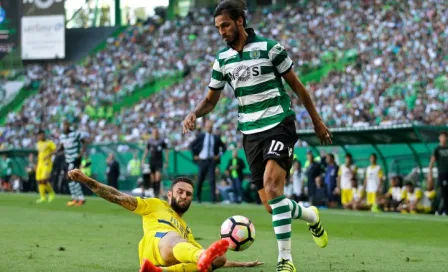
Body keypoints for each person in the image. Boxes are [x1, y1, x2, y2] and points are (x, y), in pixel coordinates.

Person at [182, 1, 331, 270]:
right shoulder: (222, 60)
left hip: (279, 124)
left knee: (274, 188)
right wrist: (194, 113)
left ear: (240, 21)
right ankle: (310, 215)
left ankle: (285, 260)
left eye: (225, 25)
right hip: (250, 134)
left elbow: (297, 86)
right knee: (273, 207)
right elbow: (210, 100)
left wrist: (317, 121)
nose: (221, 32)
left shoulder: (269, 48)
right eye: (217, 28)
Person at [66, 169, 263, 272]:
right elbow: (118, 196)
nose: (184, 196)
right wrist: (87, 181)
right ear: (170, 194)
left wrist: (241, 264)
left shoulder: (186, 230)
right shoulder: (155, 204)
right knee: (178, 242)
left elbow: (206, 257)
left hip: (172, 254)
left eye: (188, 194)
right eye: (180, 192)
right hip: (155, 244)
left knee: (219, 258)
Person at [190, 121, 227, 203]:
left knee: (212, 180)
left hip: (212, 161)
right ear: (205, 128)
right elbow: (192, 145)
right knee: (200, 180)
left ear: (212, 128)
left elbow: (224, 147)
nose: (209, 128)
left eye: (210, 127)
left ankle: (213, 200)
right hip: (202, 161)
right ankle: (198, 198)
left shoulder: (216, 137)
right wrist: (195, 155)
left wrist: (219, 155)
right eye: (207, 127)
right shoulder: (201, 136)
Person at [59, 121, 88, 206]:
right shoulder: (62, 136)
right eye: (64, 125)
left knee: (69, 177)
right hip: (67, 159)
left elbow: (84, 142)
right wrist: (52, 152)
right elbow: (61, 147)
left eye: (66, 125)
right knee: (71, 179)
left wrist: (81, 153)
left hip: (75, 159)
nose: (65, 127)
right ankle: (76, 198)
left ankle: (79, 198)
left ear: (69, 126)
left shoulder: (76, 134)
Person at [142, 128, 169, 198]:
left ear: (158, 133)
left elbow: (166, 150)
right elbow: (146, 150)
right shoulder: (150, 141)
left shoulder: (162, 141)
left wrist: (166, 161)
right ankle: (155, 193)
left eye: (156, 132)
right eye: (154, 132)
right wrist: (143, 159)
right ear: (152, 133)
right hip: (152, 161)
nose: (155, 134)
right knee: (153, 178)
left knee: (158, 177)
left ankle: (157, 192)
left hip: (159, 161)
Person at [428, 131, 448, 216]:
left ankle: (443, 210)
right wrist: (430, 175)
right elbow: (431, 163)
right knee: (442, 192)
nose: (443, 138)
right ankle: (440, 210)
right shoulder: (437, 149)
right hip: (442, 173)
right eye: (442, 136)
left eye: (445, 137)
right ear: (439, 138)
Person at [35, 130, 57, 203]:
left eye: (42, 135)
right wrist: (36, 164)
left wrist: (49, 155)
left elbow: (55, 150)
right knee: (39, 181)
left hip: (47, 164)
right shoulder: (38, 143)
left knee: (44, 180)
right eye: (39, 135)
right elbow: (39, 154)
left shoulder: (49, 142)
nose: (40, 136)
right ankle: (43, 197)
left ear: (44, 135)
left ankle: (51, 193)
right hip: (40, 164)